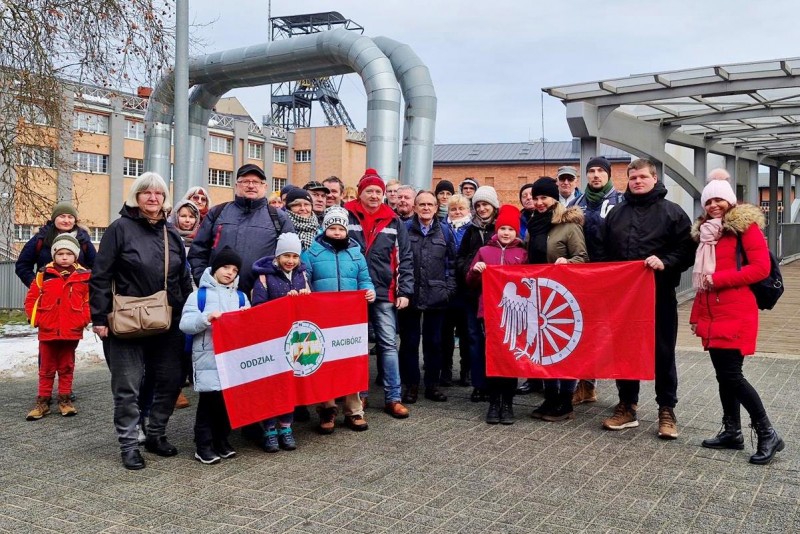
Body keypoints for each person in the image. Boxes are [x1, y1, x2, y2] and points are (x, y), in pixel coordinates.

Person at [90, 172, 193, 470]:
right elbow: (100, 276)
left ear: (165, 199)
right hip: (126, 321)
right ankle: (129, 444)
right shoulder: (118, 229)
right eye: (146, 192)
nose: (153, 197)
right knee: (128, 387)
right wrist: (99, 317)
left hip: (168, 320)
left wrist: (190, 310)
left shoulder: (171, 233)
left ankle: (156, 433)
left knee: (171, 380)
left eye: (158, 193)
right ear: (136, 196)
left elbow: (183, 277)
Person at [689, 175, 783, 465]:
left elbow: (760, 269)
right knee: (723, 374)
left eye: (719, 199)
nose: (714, 205)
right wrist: (696, 314)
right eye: (709, 200)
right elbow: (702, 283)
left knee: (732, 375)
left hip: (736, 311)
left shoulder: (745, 228)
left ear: (730, 200)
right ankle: (732, 430)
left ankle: (768, 433)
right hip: (713, 310)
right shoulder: (707, 233)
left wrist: (718, 279)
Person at [599, 159, 696, 439]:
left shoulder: (673, 213)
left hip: (660, 295)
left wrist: (665, 262)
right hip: (623, 300)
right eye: (632, 178)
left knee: (663, 353)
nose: (637, 181)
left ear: (654, 178)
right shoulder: (616, 214)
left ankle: (666, 410)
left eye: (642, 177)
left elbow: (686, 251)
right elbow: (603, 252)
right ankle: (627, 406)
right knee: (625, 352)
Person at [345, 168, 414, 419]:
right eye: (369, 191)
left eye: (378, 192)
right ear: (361, 192)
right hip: (353, 293)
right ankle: (359, 395)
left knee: (387, 344)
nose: (374, 196)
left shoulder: (393, 220)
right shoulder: (345, 215)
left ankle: (392, 397)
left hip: (384, 292)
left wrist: (404, 290)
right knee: (358, 345)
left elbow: (405, 258)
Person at [302, 207, 376, 433]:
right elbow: (306, 280)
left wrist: (369, 291)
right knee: (324, 364)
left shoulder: (356, 254)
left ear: (346, 231)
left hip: (349, 320)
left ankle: (354, 411)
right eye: (332, 228)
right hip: (322, 318)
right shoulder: (311, 253)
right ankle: (327, 409)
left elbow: (364, 279)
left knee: (350, 362)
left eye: (340, 228)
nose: (336, 232)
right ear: (325, 228)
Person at [524, 177, 588, 422]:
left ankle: (565, 399)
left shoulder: (569, 225)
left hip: (562, 299)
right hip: (539, 296)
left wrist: (567, 262)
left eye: (544, 198)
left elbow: (582, 257)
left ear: (554, 198)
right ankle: (550, 396)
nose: (539, 202)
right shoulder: (534, 225)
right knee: (544, 349)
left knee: (563, 349)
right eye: (536, 198)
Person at [179, 246, 249, 465]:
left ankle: (221, 440)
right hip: (207, 359)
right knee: (208, 404)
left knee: (228, 403)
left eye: (235, 270)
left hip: (231, 359)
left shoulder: (240, 297)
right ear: (215, 268)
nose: (230, 273)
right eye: (226, 267)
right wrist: (206, 318)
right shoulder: (198, 295)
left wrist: (247, 318)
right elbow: (185, 324)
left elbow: (248, 328)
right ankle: (203, 445)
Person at [568, 156, 625, 406]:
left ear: (608, 174)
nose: (595, 175)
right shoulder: (576, 202)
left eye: (600, 170)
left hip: (613, 277)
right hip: (583, 276)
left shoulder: (621, 200)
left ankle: (626, 395)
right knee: (584, 331)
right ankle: (586, 385)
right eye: (591, 171)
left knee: (614, 334)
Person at [189, 163, 294, 297]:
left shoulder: (279, 218)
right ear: (237, 184)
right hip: (219, 295)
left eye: (256, 182)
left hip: (263, 297)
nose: (250, 185)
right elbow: (198, 251)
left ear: (265, 187)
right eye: (245, 181)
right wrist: (203, 280)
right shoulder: (217, 213)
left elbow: (291, 258)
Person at [466, 205, 528, 424]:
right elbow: (470, 282)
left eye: (511, 229)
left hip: (513, 316)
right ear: (497, 229)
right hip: (489, 313)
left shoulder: (522, 253)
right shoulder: (485, 251)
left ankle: (508, 403)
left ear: (516, 232)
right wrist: (476, 270)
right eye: (503, 228)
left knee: (510, 358)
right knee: (492, 357)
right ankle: (494, 402)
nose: (506, 233)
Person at [251, 233, 309, 452]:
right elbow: (258, 308)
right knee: (271, 386)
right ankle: (268, 429)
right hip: (271, 340)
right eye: (286, 255)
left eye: (295, 256)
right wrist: (283, 303)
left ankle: (286, 426)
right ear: (277, 256)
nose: (290, 260)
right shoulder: (264, 278)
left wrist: (306, 296)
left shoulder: (302, 276)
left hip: (293, 341)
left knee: (288, 385)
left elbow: (309, 307)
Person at [398, 191, 457, 404]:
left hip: (436, 295)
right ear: (414, 207)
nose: (425, 208)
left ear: (435, 207)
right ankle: (411, 385)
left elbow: (451, 263)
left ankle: (432, 385)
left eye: (430, 204)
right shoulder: (404, 229)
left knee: (434, 343)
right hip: (410, 294)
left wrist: (448, 289)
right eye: (421, 204)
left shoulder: (445, 231)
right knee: (409, 342)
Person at [23, 234, 90, 420]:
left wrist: (83, 319)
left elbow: (88, 301)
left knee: (66, 366)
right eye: (60, 253)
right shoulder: (44, 275)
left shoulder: (84, 276)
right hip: (48, 329)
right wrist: (36, 318)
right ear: (54, 255)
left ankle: (65, 400)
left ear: (75, 256)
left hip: (71, 330)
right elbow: (31, 298)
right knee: (46, 367)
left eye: (69, 253)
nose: (64, 257)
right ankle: (42, 402)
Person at [456, 185, 500, 402]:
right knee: (474, 339)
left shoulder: (502, 228)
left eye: (486, 204)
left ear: (494, 205)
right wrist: (471, 269)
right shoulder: (470, 231)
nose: (482, 209)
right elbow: (461, 258)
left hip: (498, 297)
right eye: (479, 205)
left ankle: (496, 382)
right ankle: (479, 383)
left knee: (495, 340)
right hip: (473, 294)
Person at [167, 198, 202, 410]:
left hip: (196, 294)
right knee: (176, 346)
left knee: (192, 344)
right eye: (183, 215)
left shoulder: (199, 239)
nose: (187, 220)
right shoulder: (169, 237)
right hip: (177, 295)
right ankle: (175, 388)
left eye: (191, 217)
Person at [15, 201, 96, 288]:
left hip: (76, 297)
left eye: (70, 217)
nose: (66, 220)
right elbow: (22, 266)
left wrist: (86, 287)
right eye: (62, 216)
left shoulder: (83, 240)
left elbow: (96, 268)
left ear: (75, 220)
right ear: (54, 218)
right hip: (48, 296)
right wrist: (37, 285)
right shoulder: (41, 238)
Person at [440, 194, 473, 387]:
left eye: (461, 208)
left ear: (468, 210)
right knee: (445, 333)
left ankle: (466, 370)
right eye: (453, 209)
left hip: (465, 288)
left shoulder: (472, 229)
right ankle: (445, 369)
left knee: (466, 332)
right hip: (446, 287)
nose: (457, 212)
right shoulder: (443, 229)